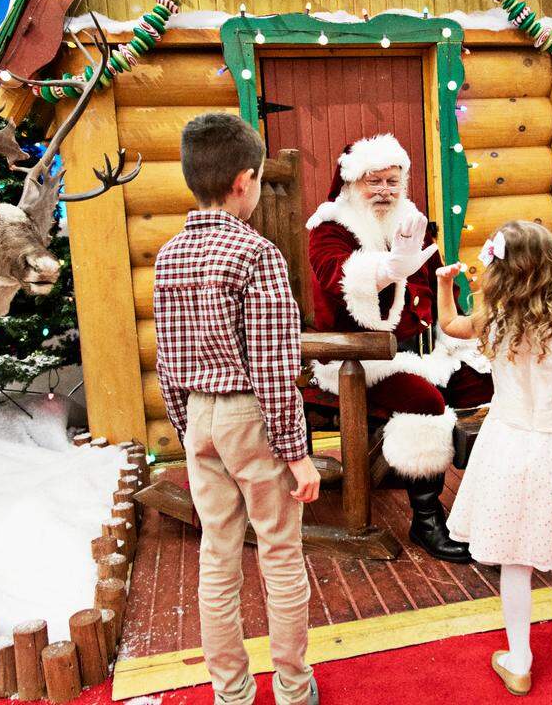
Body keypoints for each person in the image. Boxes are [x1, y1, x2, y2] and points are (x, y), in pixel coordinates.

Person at [154, 112, 321, 705]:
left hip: (198, 413)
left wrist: (187, 424)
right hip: (252, 414)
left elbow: (167, 359)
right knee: (280, 553)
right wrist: (298, 454)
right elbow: (274, 366)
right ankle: (294, 688)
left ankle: (231, 692)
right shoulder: (258, 254)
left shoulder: (168, 256)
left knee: (217, 557)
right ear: (245, 180)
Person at [307, 133, 493, 562]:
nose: (385, 191)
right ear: (351, 183)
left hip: (425, 350)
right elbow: (337, 276)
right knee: (424, 401)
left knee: (487, 386)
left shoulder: (410, 222)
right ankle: (426, 520)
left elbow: (440, 292)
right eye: (373, 181)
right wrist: (388, 268)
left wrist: (453, 312)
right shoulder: (330, 228)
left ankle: (487, 500)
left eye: (392, 181)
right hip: (361, 357)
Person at [440, 221, 552, 696]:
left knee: (515, 557)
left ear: (498, 271)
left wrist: (444, 285)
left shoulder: (491, 319)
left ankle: (519, 658)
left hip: (510, 445)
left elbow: (449, 325)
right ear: (551, 267)